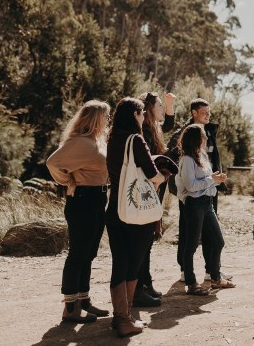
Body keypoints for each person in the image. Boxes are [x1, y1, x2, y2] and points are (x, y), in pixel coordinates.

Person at [105, 97, 169, 337]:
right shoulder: (137, 140)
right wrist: (163, 175)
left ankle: (119, 316)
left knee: (118, 262)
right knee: (134, 263)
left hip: (114, 209)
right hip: (136, 212)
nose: (144, 117)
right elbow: (153, 175)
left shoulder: (112, 140)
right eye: (142, 113)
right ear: (135, 115)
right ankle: (125, 318)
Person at [46, 100, 111, 324]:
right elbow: (53, 163)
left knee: (89, 252)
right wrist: (68, 180)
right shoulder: (82, 143)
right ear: (96, 119)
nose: (108, 121)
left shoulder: (96, 141)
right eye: (106, 116)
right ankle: (70, 308)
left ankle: (84, 301)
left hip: (97, 198)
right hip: (84, 199)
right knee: (78, 253)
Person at [168, 98, 231, 283]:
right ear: (194, 112)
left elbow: (213, 158)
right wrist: (179, 186)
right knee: (188, 233)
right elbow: (173, 160)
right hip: (191, 195)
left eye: (209, 112)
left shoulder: (209, 131)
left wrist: (215, 179)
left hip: (209, 190)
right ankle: (185, 272)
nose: (208, 116)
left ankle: (212, 270)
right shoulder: (183, 135)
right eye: (205, 112)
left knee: (212, 234)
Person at [175, 123, 235, 295]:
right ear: (196, 139)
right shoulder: (186, 160)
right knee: (191, 245)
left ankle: (215, 278)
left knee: (218, 241)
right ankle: (192, 283)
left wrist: (216, 179)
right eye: (203, 136)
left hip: (207, 203)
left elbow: (207, 179)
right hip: (194, 204)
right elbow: (191, 186)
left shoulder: (201, 156)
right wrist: (212, 180)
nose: (206, 139)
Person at [132, 91, 176, 308]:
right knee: (144, 239)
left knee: (148, 239)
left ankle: (145, 282)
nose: (162, 108)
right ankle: (139, 286)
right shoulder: (146, 132)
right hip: (149, 190)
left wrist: (169, 105)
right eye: (159, 105)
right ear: (150, 107)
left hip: (155, 189)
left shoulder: (153, 128)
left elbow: (168, 125)